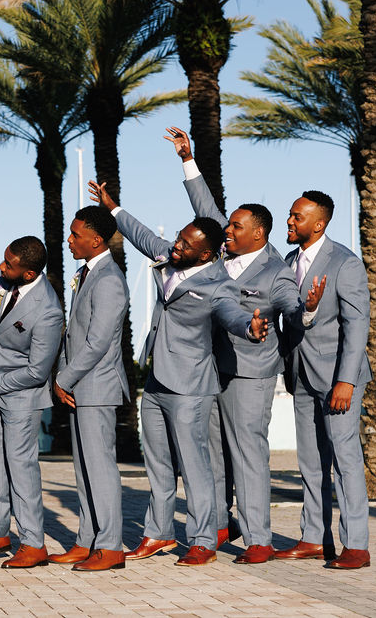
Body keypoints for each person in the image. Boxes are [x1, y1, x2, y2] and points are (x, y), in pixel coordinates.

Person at [166, 126, 325, 564]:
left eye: (235, 227)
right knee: (210, 453)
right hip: (207, 370)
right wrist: (187, 159)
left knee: (248, 454)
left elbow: (292, 309)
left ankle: (259, 539)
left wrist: (307, 310)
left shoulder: (276, 271)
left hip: (250, 374)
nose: (227, 231)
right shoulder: (220, 253)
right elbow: (204, 207)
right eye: (228, 225)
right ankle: (216, 525)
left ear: (258, 233)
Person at [89, 180, 268, 567]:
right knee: (156, 462)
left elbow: (232, 315)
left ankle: (203, 538)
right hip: (156, 381)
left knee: (195, 465)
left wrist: (250, 329)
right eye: (178, 238)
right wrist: (114, 208)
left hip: (190, 387)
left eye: (187, 244)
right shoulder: (171, 256)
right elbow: (140, 236)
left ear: (206, 253)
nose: (177, 245)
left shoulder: (219, 284)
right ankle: (159, 534)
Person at [275, 191, 373, 570]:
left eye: (297, 217)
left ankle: (357, 546)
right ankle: (314, 538)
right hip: (300, 374)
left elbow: (356, 324)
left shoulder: (345, 263)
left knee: (345, 461)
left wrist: (346, 381)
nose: (290, 222)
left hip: (338, 378)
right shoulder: (288, 261)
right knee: (311, 463)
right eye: (290, 215)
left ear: (318, 224)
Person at [0, 236, 63, 569]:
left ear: (30, 274)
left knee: (22, 467)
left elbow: (37, 371)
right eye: (4, 261)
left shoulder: (48, 311)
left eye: (9, 266)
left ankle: (33, 543)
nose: (2, 269)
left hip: (21, 394)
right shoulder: (1, 278)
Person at [48, 207, 130, 572]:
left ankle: (111, 547)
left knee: (100, 468)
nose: (69, 240)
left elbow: (97, 342)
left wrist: (63, 378)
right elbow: (75, 335)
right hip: (82, 385)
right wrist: (66, 375)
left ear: (96, 239)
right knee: (84, 469)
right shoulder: (87, 274)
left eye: (75, 234)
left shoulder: (109, 278)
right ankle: (86, 540)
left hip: (98, 386)